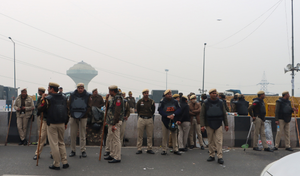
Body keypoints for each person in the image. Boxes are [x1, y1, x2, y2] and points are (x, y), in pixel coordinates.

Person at [38, 82, 69, 170]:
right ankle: (65, 161)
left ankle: (56, 163)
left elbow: (41, 108)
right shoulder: (64, 98)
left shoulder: (48, 99)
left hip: (52, 123)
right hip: (62, 123)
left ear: (52, 89)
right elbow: (67, 111)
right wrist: (66, 123)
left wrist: (42, 99)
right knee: (61, 142)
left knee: (54, 144)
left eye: (48, 88)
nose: (47, 89)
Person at [200, 89, 229, 164]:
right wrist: (202, 125)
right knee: (210, 141)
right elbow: (202, 115)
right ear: (209, 94)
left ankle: (220, 157)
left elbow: (224, 114)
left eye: (215, 93)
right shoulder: (205, 103)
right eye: (213, 93)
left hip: (218, 123)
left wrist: (226, 124)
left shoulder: (220, 102)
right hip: (209, 123)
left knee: (219, 141)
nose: (214, 94)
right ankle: (212, 155)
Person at [68, 83, 92, 158]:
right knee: (73, 134)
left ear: (83, 88)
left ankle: (83, 150)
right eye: (79, 88)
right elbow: (68, 105)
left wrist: (83, 113)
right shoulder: (72, 95)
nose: (80, 89)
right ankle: (73, 150)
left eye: (81, 88)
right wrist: (71, 113)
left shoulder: (87, 95)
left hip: (83, 116)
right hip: (73, 116)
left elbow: (89, 106)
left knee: (82, 134)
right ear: (77, 88)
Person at [104, 85, 124, 163]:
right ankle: (112, 154)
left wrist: (114, 123)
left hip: (115, 122)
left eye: (110, 91)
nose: (109, 92)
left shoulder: (118, 99)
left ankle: (117, 156)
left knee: (116, 140)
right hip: (111, 121)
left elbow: (117, 112)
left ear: (113, 91)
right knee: (111, 139)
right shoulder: (113, 98)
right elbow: (109, 109)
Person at [158, 89, 181, 155]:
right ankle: (164, 149)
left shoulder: (175, 101)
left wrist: (173, 115)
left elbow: (179, 109)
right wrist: (166, 116)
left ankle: (175, 149)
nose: (170, 95)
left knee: (174, 135)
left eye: (170, 94)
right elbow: (160, 110)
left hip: (173, 120)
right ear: (165, 95)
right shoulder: (162, 101)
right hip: (165, 120)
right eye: (168, 94)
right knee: (165, 135)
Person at [33, 87, 52, 160]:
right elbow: (39, 108)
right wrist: (43, 99)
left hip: (52, 121)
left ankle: (53, 153)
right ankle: (37, 153)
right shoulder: (43, 98)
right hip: (44, 120)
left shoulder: (54, 98)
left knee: (52, 140)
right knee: (41, 137)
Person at [136, 89, 156, 154]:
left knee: (149, 135)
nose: (146, 94)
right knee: (140, 135)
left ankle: (149, 148)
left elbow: (153, 110)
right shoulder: (139, 101)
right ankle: (139, 148)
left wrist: (149, 115)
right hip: (141, 118)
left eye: (147, 93)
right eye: (145, 93)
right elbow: (138, 110)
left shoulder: (151, 101)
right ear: (143, 94)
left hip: (149, 119)